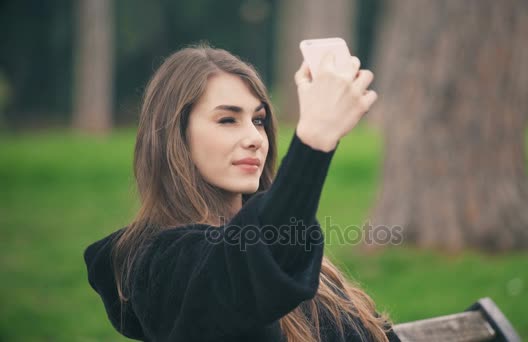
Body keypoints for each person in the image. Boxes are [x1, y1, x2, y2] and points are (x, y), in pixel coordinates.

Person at [84, 43, 400, 342]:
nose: (255, 138)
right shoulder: (155, 265)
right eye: (227, 120)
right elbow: (245, 271)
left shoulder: (304, 263)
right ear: (175, 136)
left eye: (258, 120)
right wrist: (314, 140)